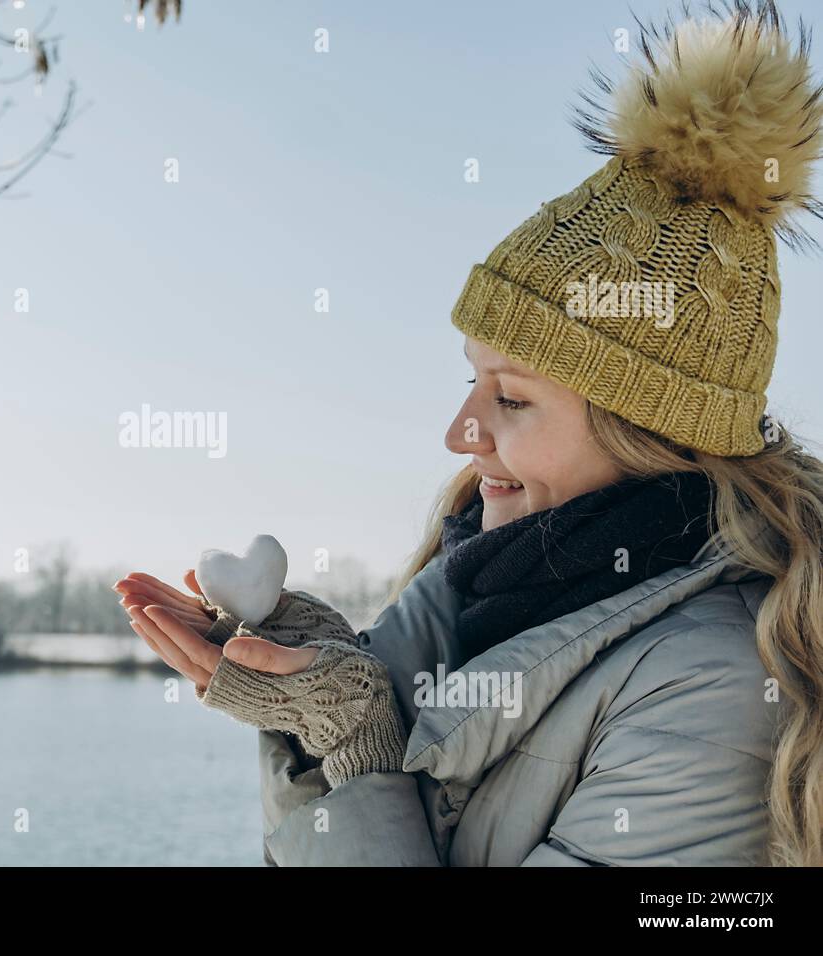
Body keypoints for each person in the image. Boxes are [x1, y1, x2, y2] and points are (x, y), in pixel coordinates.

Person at [116, 0, 823, 866]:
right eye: (471, 382)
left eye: (513, 401)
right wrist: (333, 693)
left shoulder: (713, 695)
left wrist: (364, 749)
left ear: (654, 434)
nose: (460, 433)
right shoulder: (480, 599)